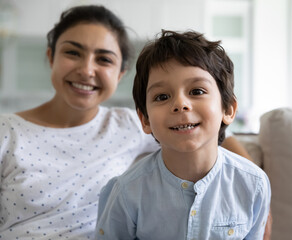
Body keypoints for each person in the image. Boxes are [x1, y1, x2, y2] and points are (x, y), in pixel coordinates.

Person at [0, 5, 263, 240]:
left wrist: (252, 189)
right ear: (50, 57)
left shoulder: (126, 124)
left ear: (120, 73)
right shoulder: (6, 131)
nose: (87, 69)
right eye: (73, 52)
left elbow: (206, 135)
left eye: (104, 59)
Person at [95, 30, 271, 240]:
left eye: (197, 91)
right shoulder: (126, 192)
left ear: (228, 109)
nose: (180, 104)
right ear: (145, 120)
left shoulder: (254, 183)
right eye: (162, 96)